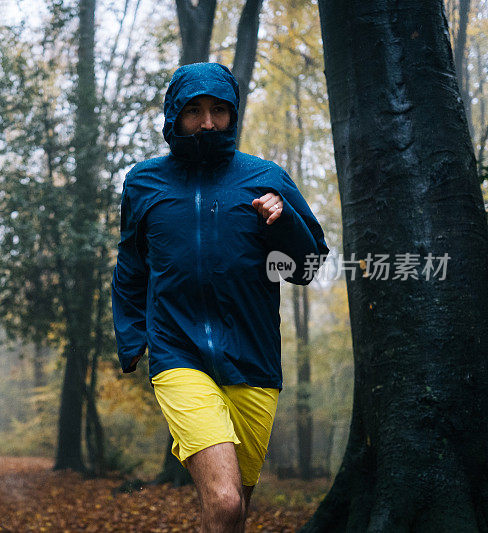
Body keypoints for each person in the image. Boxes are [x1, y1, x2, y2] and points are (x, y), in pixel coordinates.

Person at [111, 63, 328, 533]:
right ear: (174, 116)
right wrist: (132, 337)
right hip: (177, 352)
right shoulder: (144, 182)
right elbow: (132, 264)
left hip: (253, 359)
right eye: (193, 111)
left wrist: (285, 220)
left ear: (233, 116)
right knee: (226, 503)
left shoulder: (266, 176)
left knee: (231, 513)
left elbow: (307, 270)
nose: (207, 123)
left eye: (218, 111)